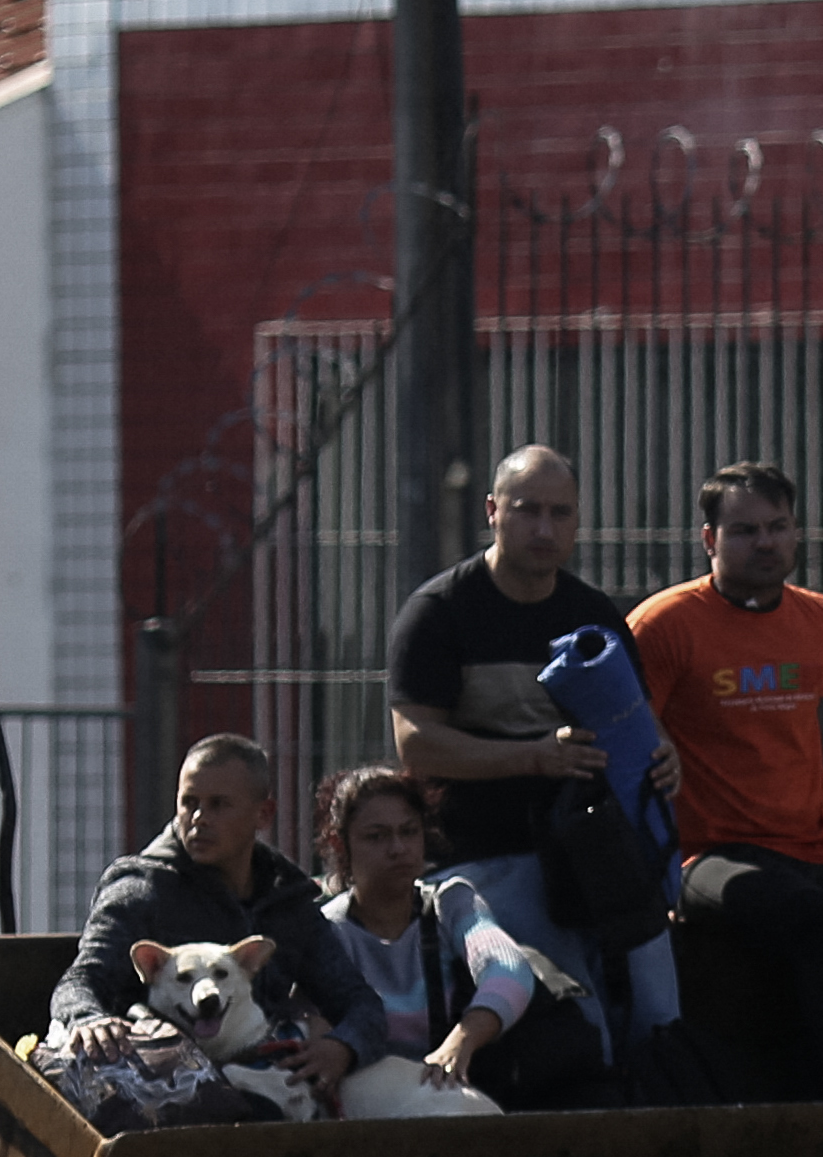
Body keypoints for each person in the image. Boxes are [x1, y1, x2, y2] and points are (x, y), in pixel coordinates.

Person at [386, 443, 677, 1050]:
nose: (544, 529)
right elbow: (417, 745)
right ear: (492, 511)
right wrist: (534, 756)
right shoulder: (439, 613)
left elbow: (637, 722)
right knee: (580, 1011)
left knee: (659, 1001)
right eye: (527, 510)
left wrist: (662, 753)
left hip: (593, 850)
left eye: (559, 513)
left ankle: (659, 1087)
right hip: (485, 855)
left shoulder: (591, 612)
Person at [630, 461, 823, 1101]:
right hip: (707, 856)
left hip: (810, 850)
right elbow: (623, 745)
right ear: (709, 540)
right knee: (810, 920)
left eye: (778, 527)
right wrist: (649, 865)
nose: (766, 543)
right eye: (746, 530)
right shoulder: (665, 624)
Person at [51, 738, 364, 1104]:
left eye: (219, 805)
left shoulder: (287, 899)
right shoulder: (142, 890)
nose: (199, 818)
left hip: (273, 1084)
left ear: (263, 814)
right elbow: (81, 981)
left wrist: (344, 1046)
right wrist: (88, 1019)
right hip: (165, 1095)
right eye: (189, 803)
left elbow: (358, 1002)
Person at [307, 769, 545, 1105]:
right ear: (339, 843)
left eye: (409, 831)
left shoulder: (451, 903)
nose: (398, 848)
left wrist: (461, 1042)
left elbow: (509, 970)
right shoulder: (327, 929)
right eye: (376, 837)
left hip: (452, 1095)